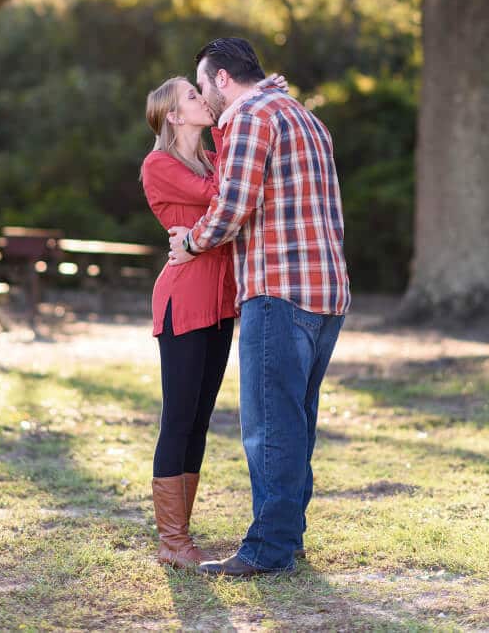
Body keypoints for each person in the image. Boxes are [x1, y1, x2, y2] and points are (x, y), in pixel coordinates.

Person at [165, 37, 350, 578]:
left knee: (270, 427)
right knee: (296, 423)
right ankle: (287, 540)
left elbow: (233, 206)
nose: (204, 96)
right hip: (327, 294)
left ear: (223, 79)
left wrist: (192, 243)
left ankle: (268, 551)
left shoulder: (250, 116)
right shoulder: (308, 119)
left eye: (203, 86)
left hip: (278, 290)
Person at [140, 76, 238, 569]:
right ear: (174, 116)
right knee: (178, 419)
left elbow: (228, 191)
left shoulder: (208, 159)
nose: (203, 100)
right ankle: (172, 543)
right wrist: (223, 134)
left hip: (220, 302)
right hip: (183, 301)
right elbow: (224, 195)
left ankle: (182, 537)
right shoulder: (159, 164)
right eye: (193, 97)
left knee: (199, 420)